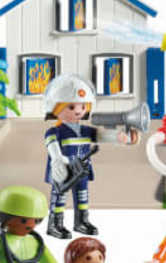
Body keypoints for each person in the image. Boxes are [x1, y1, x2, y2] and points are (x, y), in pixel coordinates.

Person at [43, 73, 139, 239]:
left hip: (82, 170)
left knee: (82, 195)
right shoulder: (54, 131)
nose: (78, 111)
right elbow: (53, 148)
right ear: (56, 107)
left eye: (83, 106)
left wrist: (120, 137)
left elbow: (101, 136)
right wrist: (58, 162)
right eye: (71, 107)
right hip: (65, 170)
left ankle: (82, 221)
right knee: (60, 196)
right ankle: (55, 224)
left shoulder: (85, 130)